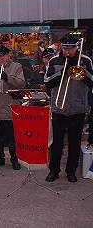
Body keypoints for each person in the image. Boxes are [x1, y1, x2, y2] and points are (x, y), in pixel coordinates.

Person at [44, 35, 93, 183]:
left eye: (71, 48)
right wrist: (63, 72)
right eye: (65, 48)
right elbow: (48, 83)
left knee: (75, 142)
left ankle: (71, 171)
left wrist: (80, 71)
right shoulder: (54, 61)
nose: (68, 51)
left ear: (76, 47)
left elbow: (91, 81)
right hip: (59, 107)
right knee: (57, 143)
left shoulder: (85, 60)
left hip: (78, 108)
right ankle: (54, 170)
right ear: (61, 48)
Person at [0, 44, 25, 170]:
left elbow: (21, 83)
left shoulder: (16, 66)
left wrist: (7, 77)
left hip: (9, 105)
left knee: (11, 136)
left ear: (8, 56)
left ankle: (14, 159)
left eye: (2, 57)